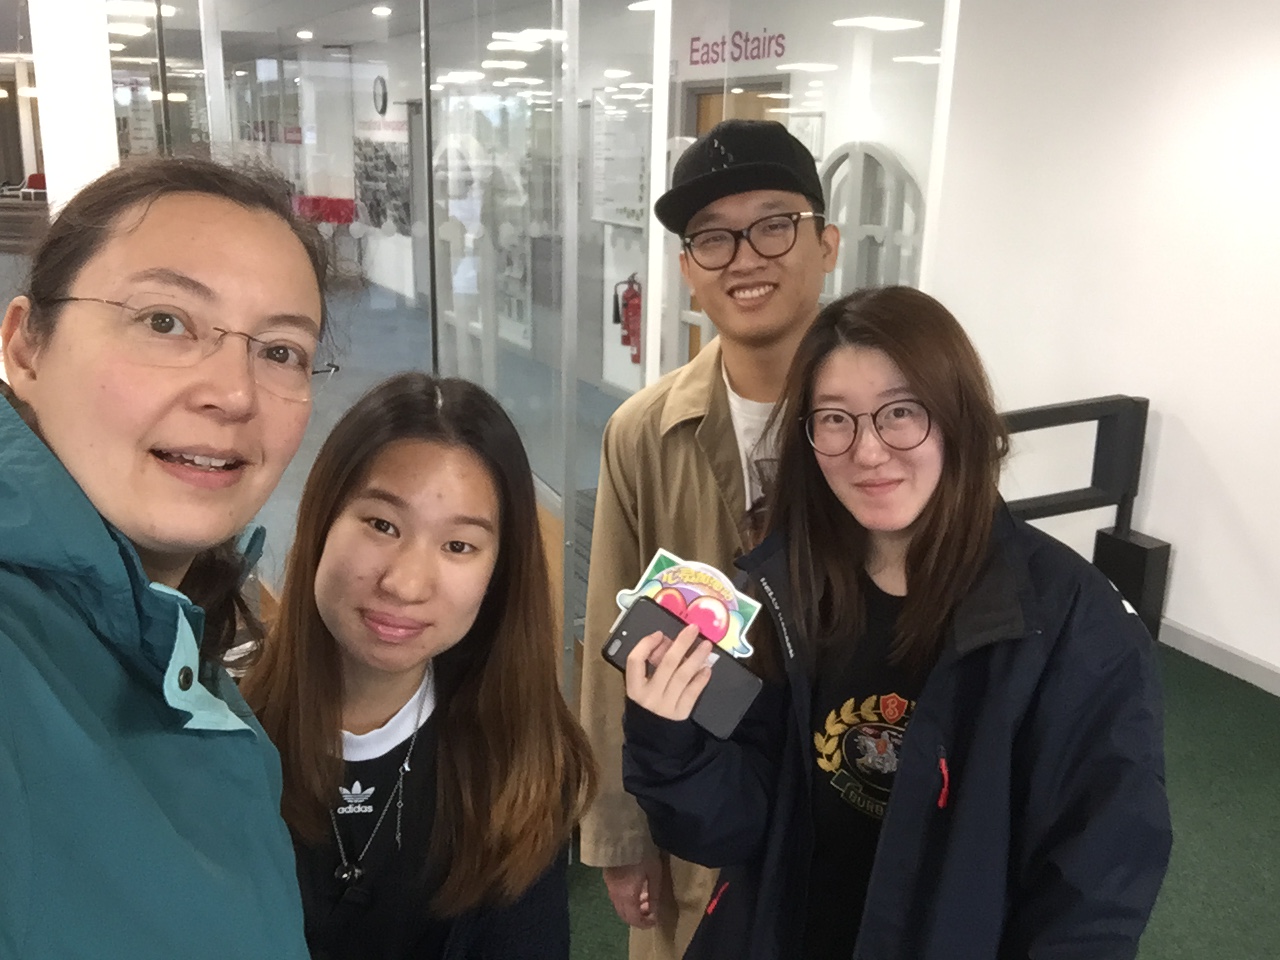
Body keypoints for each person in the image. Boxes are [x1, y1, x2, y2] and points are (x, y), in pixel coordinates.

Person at [620, 286, 1173, 959]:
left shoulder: (1073, 624)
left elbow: (1095, 886)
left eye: (902, 412)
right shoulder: (786, 590)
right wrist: (668, 742)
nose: (868, 451)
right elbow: (736, 829)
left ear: (959, 418)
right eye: (835, 419)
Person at [0, 158, 331, 958]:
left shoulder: (171, 648)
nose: (235, 393)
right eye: (164, 321)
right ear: (25, 345)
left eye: (280, 351)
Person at [578, 118, 840, 960]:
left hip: (848, 799)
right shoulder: (644, 433)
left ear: (827, 244)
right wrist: (620, 834)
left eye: (774, 225)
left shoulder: (883, 431)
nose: (744, 257)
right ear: (689, 269)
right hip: (695, 809)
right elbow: (614, 643)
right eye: (713, 238)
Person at [241, 372, 597, 959]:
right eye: (382, 525)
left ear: (498, 573)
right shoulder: (211, 739)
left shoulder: (522, 766)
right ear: (321, 519)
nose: (405, 584)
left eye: (458, 546)